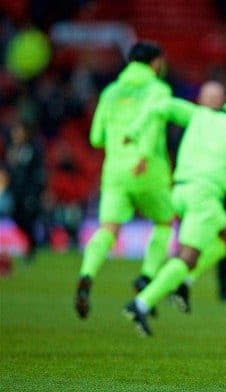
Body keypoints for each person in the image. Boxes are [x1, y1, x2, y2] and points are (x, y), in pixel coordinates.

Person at [123, 79, 226, 334]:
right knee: (188, 257)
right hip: (203, 195)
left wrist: (135, 130)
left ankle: (184, 282)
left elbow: (162, 106)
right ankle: (141, 303)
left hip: (180, 190)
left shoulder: (198, 115)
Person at [74, 42, 175, 319]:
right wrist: (142, 155)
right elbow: (153, 125)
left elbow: (96, 137)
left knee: (108, 228)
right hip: (148, 168)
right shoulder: (158, 89)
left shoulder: (110, 92)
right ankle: (147, 275)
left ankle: (87, 273)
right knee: (164, 222)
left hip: (114, 170)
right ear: (155, 63)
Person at [196, 80, 226, 302]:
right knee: (190, 239)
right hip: (196, 189)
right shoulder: (194, 122)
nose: (212, 101)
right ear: (200, 100)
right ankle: (175, 282)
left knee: (225, 240)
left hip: (220, 191)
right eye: (208, 96)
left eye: (216, 97)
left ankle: (224, 287)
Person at [5, 121, 45, 263]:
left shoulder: (32, 149)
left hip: (28, 192)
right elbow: (10, 170)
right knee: (16, 218)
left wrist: (36, 191)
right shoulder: (12, 149)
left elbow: (37, 171)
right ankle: (31, 244)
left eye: (19, 132)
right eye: (14, 132)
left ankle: (31, 248)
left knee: (28, 220)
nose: (16, 135)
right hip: (15, 192)